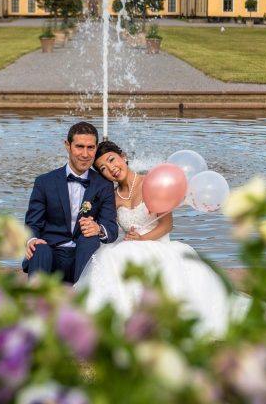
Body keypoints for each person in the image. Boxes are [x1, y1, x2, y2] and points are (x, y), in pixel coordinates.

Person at [74, 141, 243, 336]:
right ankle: (118, 317)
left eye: (112, 160)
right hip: (130, 245)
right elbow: (111, 230)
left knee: (127, 254)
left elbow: (166, 225)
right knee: (108, 257)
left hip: (157, 244)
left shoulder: (152, 182)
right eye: (103, 168)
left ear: (123, 156)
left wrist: (142, 239)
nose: (111, 168)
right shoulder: (113, 198)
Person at [23, 121, 118, 284]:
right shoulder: (44, 182)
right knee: (39, 247)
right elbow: (32, 223)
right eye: (80, 146)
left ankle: (82, 298)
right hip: (50, 256)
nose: (85, 154)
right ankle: (35, 300)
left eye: (91, 147)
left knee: (91, 239)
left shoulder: (104, 185)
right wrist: (31, 240)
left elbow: (111, 228)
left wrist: (98, 229)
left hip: (83, 258)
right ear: (67, 145)